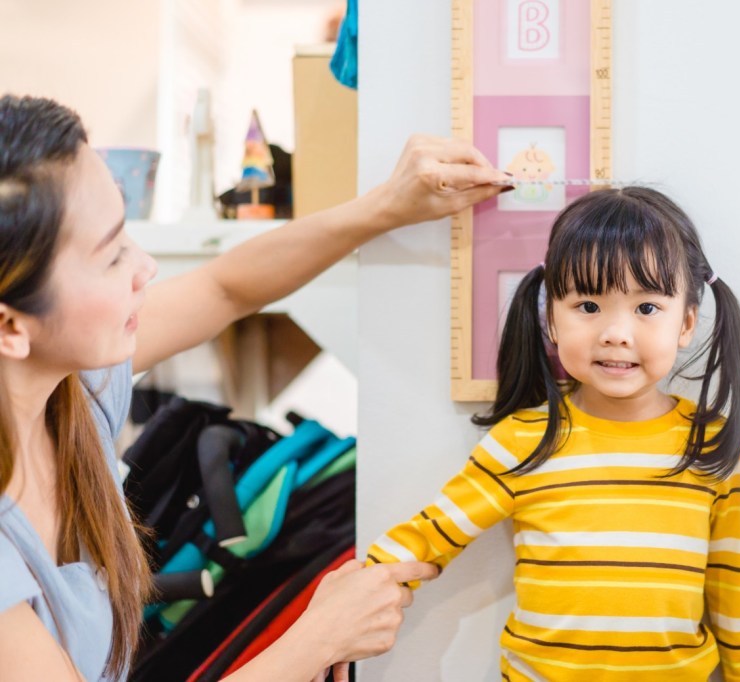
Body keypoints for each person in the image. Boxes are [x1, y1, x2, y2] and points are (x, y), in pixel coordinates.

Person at [0, 94, 509, 681]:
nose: (145, 267)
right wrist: (316, 638)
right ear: (12, 326)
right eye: (111, 255)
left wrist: (386, 207)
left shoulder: (69, 393)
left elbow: (226, 288)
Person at [367, 187, 740, 680]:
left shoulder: (711, 446)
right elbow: (427, 537)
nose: (615, 332)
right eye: (588, 306)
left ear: (687, 322)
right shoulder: (522, 442)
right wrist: (350, 599)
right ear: (551, 319)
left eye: (646, 308)